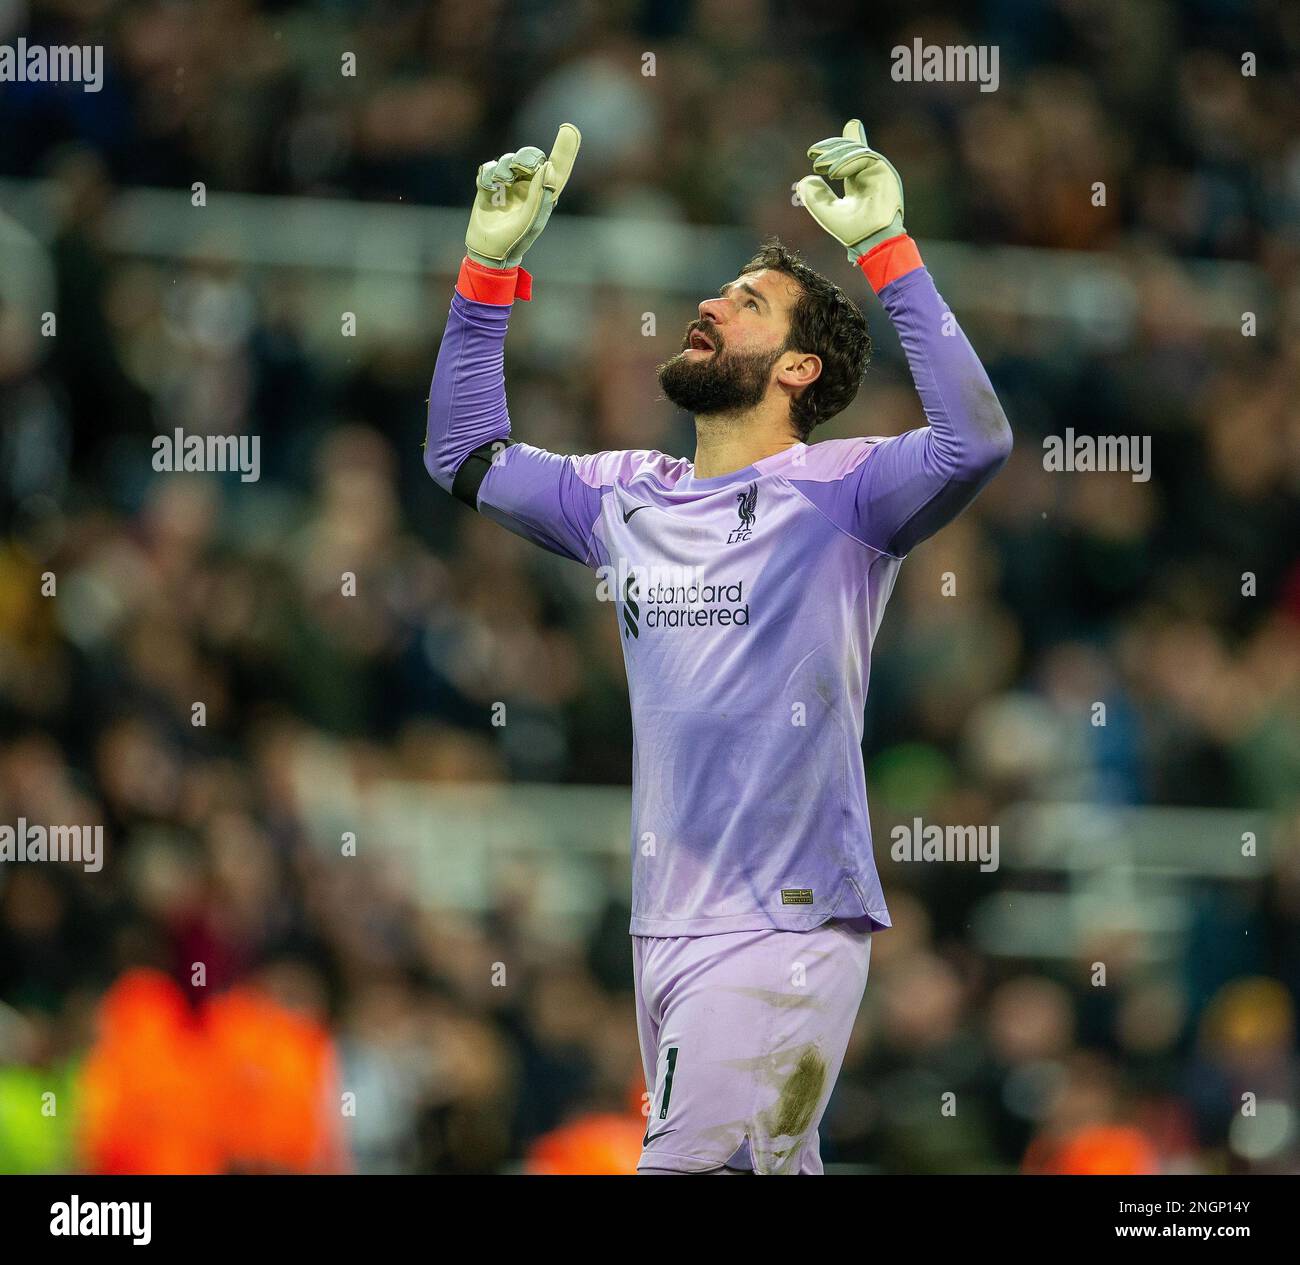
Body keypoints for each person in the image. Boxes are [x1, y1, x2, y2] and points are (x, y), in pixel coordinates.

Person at [423, 120, 1012, 1174]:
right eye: (719, 290)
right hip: (668, 929)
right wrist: (487, 267)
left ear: (797, 365)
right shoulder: (624, 498)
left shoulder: (843, 494)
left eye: (747, 301)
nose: (708, 302)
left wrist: (888, 252)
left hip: (780, 922)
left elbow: (977, 440)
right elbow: (462, 452)